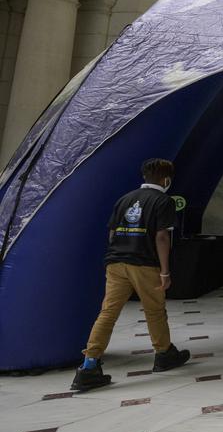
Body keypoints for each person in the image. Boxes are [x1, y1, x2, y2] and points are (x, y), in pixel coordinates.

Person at [72, 159, 191, 392]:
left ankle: (89, 366)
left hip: (116, 263)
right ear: (166, 179)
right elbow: (162, 237)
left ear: (145, 176)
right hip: (145, 264)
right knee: (154, 310)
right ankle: (164, 353)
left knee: (108, 313)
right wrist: (165, 271)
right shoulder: (163, 201)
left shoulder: (125, 199)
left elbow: (112, 233)